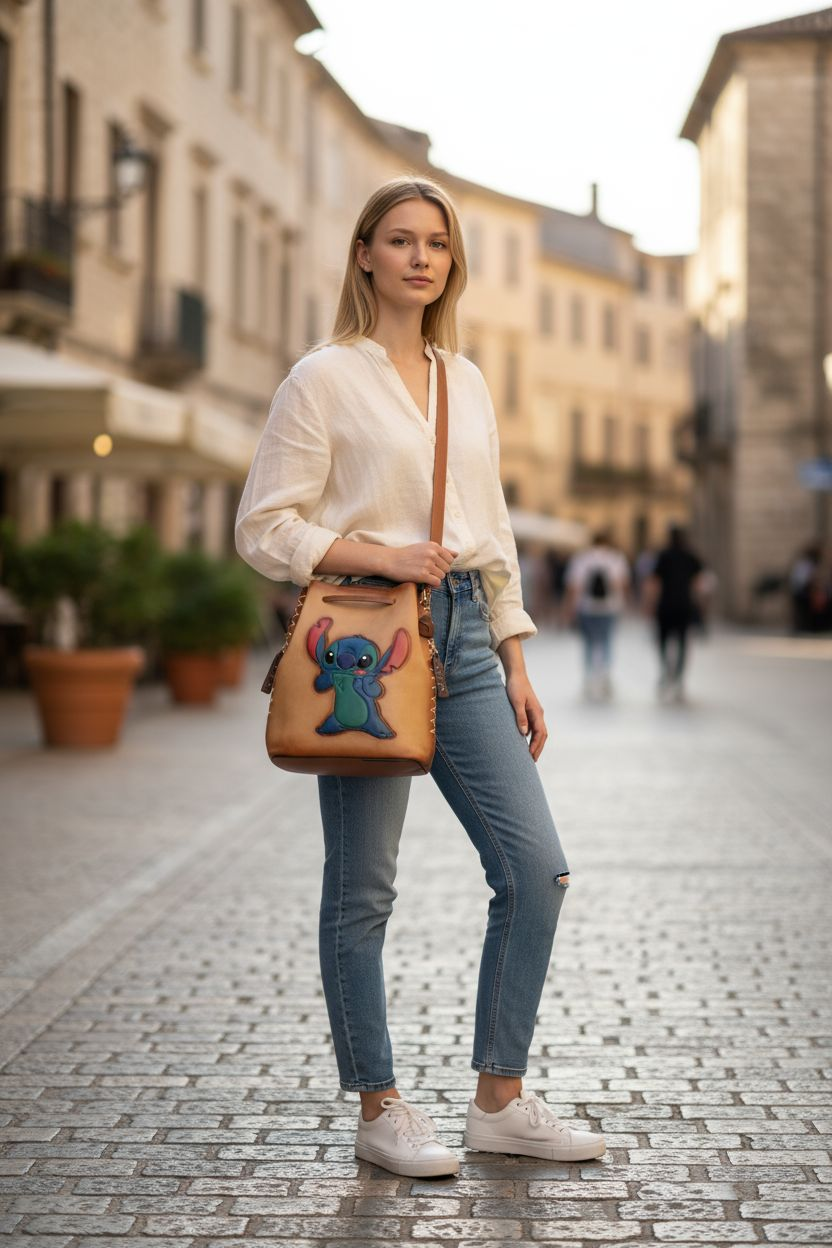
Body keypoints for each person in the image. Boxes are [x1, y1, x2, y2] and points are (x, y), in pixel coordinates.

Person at [235, 176, 605, 1179]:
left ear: (450, 261)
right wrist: (372, 552)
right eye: (398, 240)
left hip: (469, 647)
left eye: (435, 242)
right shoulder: (322, 377)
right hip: (365, 643)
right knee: (362, 889)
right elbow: (263, 525)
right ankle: (380, 1106)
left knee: (535, 869)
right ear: (363, 254)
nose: (419, 257)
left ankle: (499, 1101)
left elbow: (489, 537)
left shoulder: (466, 381)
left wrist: (516, 656)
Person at [564, 533, 630, 701]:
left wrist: (570, 608)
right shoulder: (616, 558)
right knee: (606, 641)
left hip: (586, 607)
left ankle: (588, 678)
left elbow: (574, 586)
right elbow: (621, 584)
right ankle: (605, 676)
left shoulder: (582, 559)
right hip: (609, 607)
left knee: (588, 643)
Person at [643, 524, 706, 701]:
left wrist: (649, 605)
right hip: (684, 605)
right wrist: (701, 606)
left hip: (665, 606)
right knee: (683, 643)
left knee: (663, 641)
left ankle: (665, 671)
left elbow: (654, 583)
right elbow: (699, 585)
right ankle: (678, 678)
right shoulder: (692, 557)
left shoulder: (663, 556)